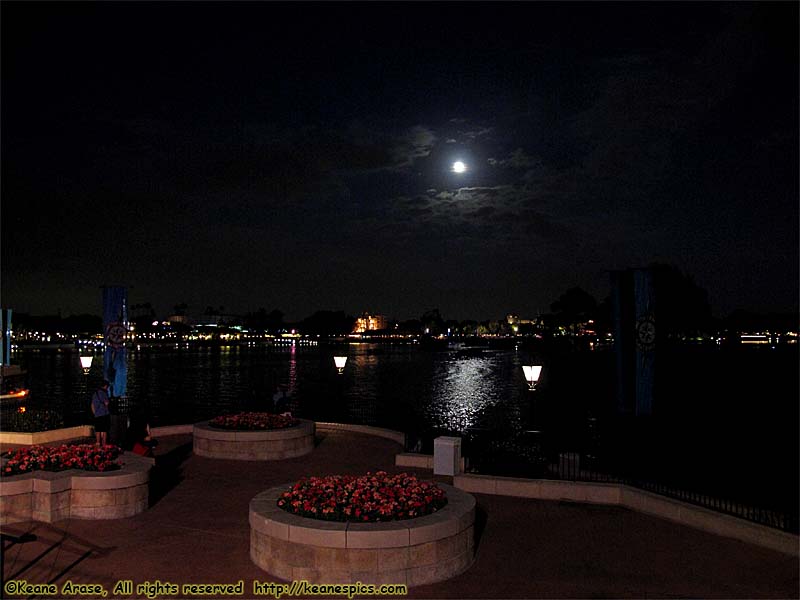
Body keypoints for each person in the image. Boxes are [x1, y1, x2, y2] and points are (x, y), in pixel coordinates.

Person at [91, 380, 111, 445]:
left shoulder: (95, 393)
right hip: (104, 414)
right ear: (105, 386)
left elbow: (92, 404)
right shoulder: (104, 393)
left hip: (97, 415)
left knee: (98, 430)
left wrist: (95, 413)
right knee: (104, 430)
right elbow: (107, 403)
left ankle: (98, 443)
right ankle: (104, 445)